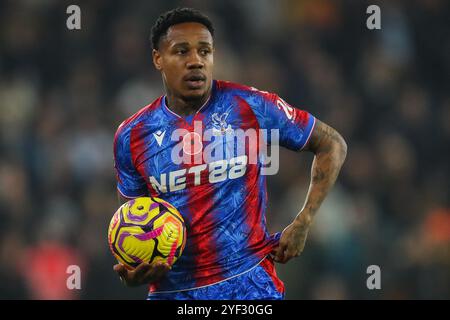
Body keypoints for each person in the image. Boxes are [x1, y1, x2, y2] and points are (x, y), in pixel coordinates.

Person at [112, 7, 347, 300]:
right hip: (174, 292)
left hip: (249, 286)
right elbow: (134, 221)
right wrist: (136, 268)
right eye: (182, 51)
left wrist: (304, 220)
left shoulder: (250, 105)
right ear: (157, 58)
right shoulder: (131, 135)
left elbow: (332, 144)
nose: (196, 61)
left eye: (205, 51)